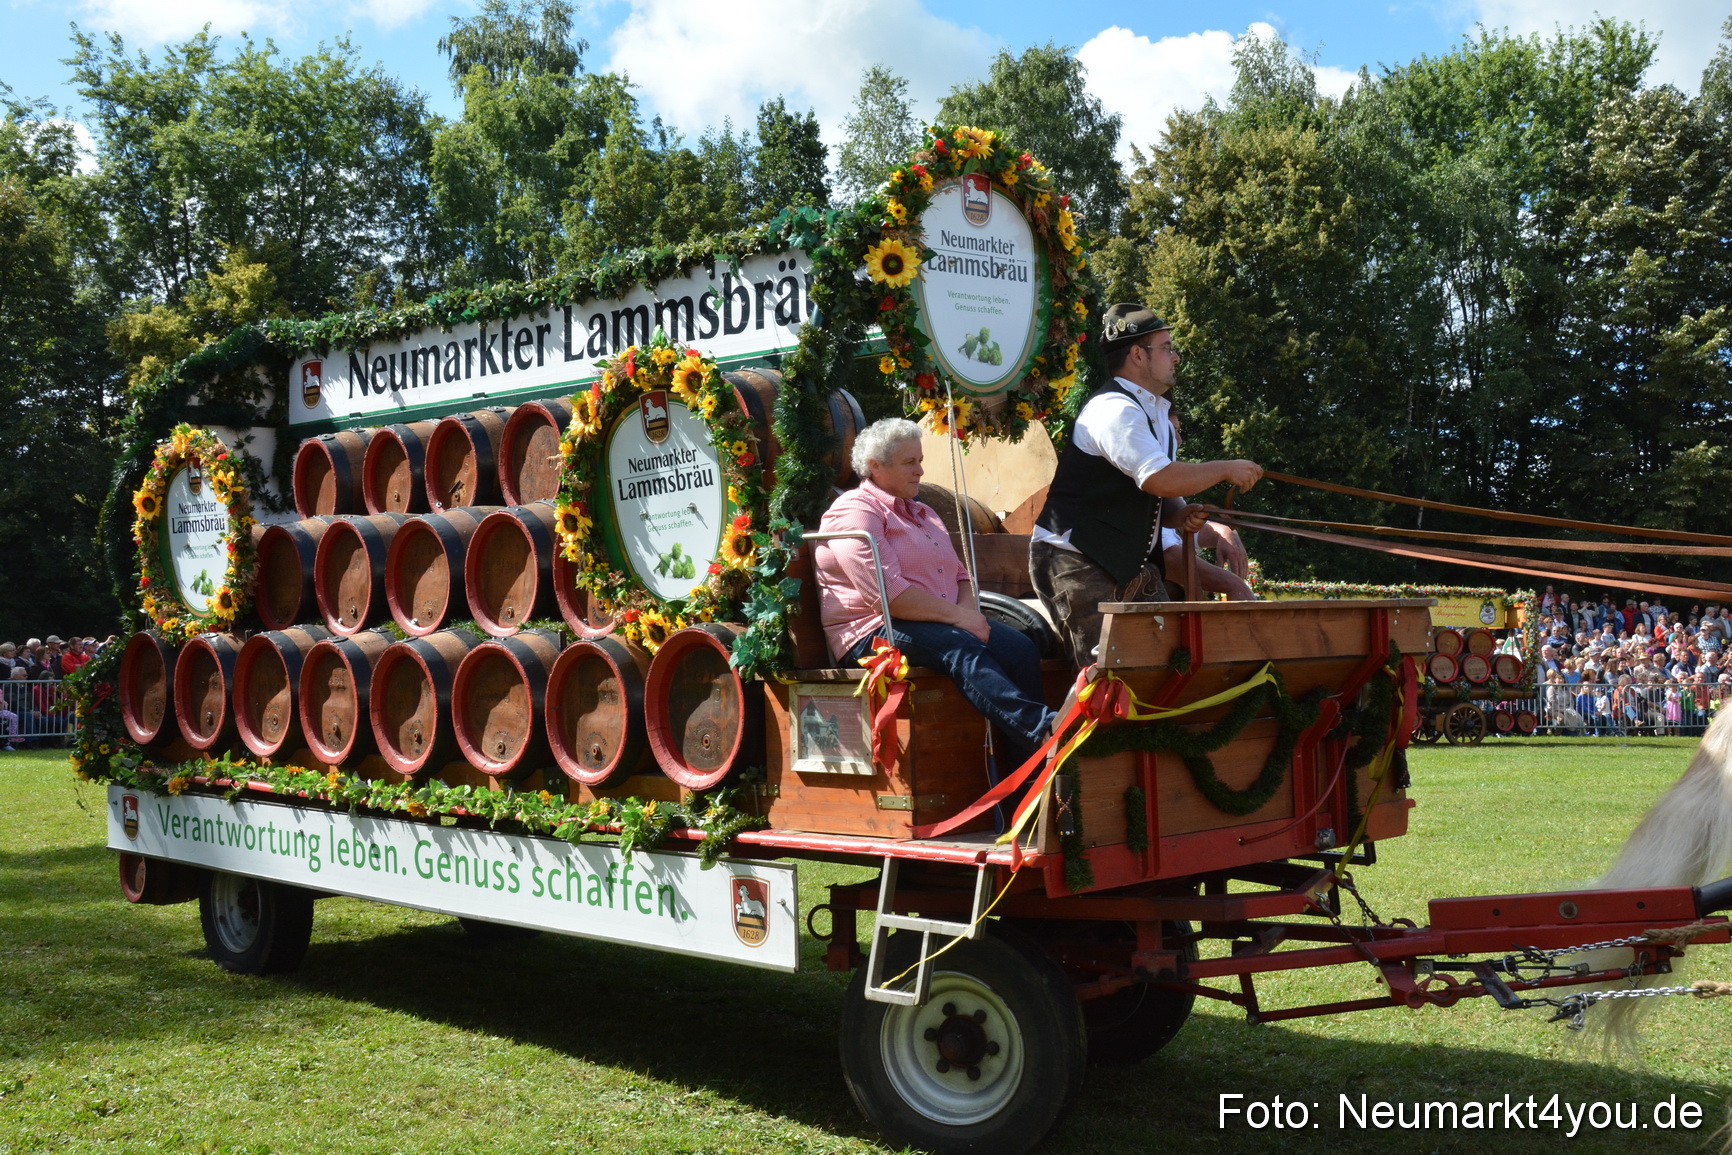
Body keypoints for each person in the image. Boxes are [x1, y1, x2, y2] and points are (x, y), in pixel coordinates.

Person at [814, 418, 1055, 775]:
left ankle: (1028, 779)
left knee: (1020, 649)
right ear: (876, 467)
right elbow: (889, 596)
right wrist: (961, 619)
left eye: (920, 460)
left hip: (933, 621)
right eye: (910, 462)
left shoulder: (923, 512)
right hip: (871, 630)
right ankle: (1043, 730)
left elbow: (960, 576)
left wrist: (969, 614)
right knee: (960, 646)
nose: (921, 470)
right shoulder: (854, 512)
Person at [1029, 304, 1263, 670]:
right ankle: (1058, 731)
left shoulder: (1155, 413)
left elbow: (1158, 494)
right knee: (1105, 678)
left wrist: (1180, 514)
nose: (1176, 356)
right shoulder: (1113, 410)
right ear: (1138, 355)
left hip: (1123, 564)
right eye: (1167, 347)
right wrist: (1224, 469)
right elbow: (1159, 478)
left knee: (1166, 666)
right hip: (1075, 559)